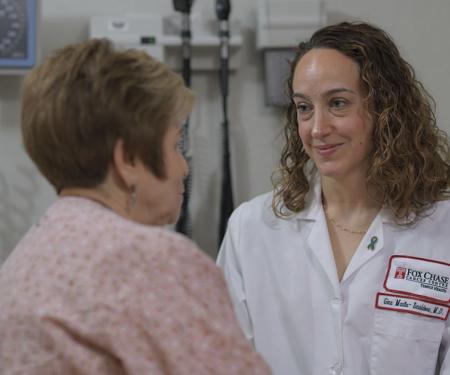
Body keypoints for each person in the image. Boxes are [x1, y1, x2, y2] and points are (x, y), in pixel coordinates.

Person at [0, 39, 270, 374]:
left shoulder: (23, 260)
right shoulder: (155, 261)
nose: (183, 167)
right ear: (127, 159)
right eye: (175, 145)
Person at [217, 21, 450, 375]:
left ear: (386, 109)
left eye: (338, 103)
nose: (317, 129)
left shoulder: (441, 229)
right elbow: (223, 361)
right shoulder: (251, 229)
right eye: (304, 108)